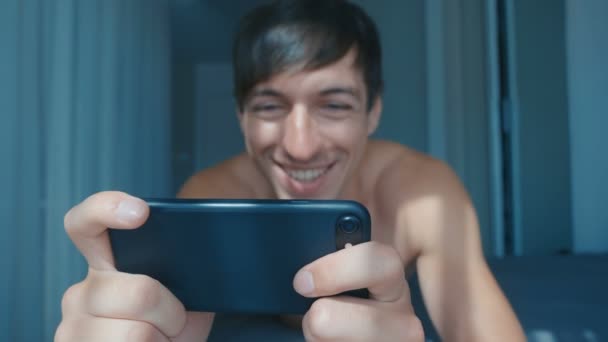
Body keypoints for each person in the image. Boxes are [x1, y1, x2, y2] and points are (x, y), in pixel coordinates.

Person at [55, 0, 525, 341]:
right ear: (241, 117)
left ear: (374, 110)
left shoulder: (423, 193)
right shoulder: (212, 193)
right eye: (269, 106)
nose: (300, 147)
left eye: (334, 105)